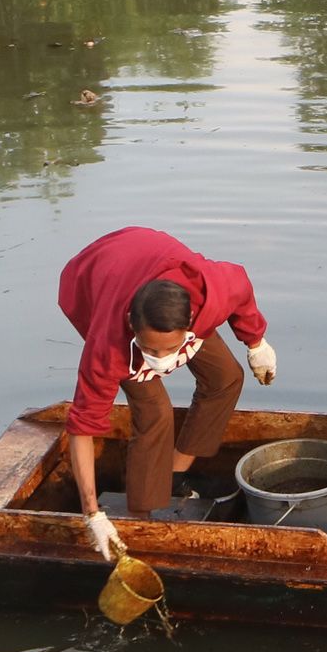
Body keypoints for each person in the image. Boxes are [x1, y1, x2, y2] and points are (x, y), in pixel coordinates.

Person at [57, 225, 275, 552]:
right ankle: (140, 518)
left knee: (226, 376)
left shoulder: (209, 295)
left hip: (154, 262)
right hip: (93, 279)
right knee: (155, 412)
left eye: (169, 350)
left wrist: (255, 342)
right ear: (132, 323)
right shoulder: (109, 347)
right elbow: (82, 427)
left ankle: (173, 476)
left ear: (190, 321)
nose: (161, 360)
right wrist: (93, 514)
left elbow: (240, 285)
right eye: (152, 350)